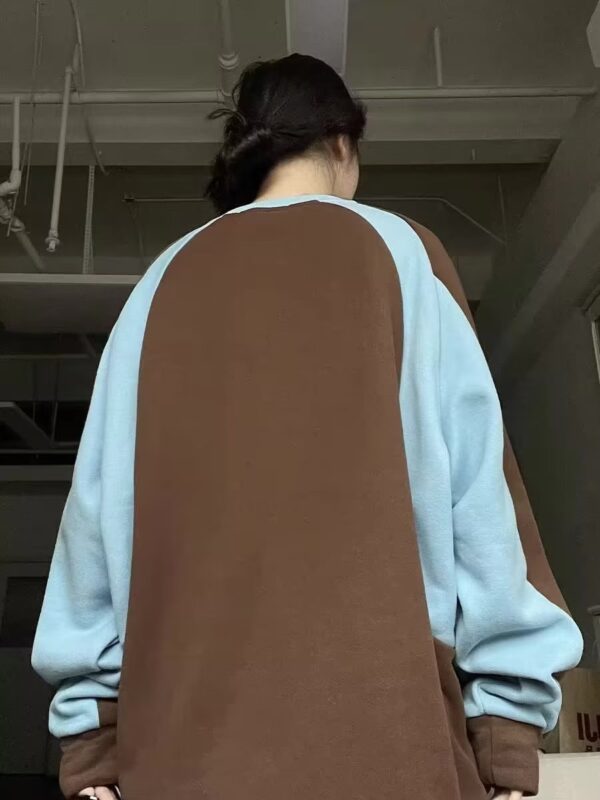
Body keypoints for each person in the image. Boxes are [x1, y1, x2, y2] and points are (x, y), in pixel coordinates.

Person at [32, 54, 582, 800]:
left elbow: (94, 523)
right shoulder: (402, 252)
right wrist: (506, 732)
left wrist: (92, 746)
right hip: (388, 743)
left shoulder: (159, 282)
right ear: (342, 142)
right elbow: (482, 500)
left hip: (181, 751)